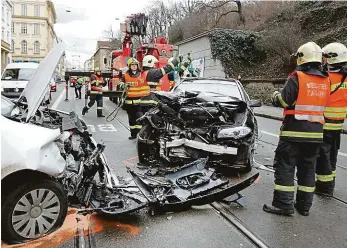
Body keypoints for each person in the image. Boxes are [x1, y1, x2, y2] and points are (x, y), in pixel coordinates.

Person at [263, 42, 330, 216]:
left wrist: (275, 96)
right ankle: (304, 206)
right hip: (315, 134)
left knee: (285, 167)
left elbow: (284, 101)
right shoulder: (326, 80)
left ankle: (283, 205)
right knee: (308, 169)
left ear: (301, 58)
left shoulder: (297, 77)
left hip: (293, 133)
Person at [315, 42, 347, 197]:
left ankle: (324, 187)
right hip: (339, 124)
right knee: (332, 154)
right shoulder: (345, 78)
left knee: (323, 156)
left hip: (325, 123)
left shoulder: (326, 78)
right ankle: (330, 182)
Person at [121, 58, 150, 139]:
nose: (134, 66)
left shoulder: (142, 74)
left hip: (139, 102)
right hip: (129, 102)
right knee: (131, 119)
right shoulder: (125, 75)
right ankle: (133, 134)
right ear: (129, 66)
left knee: (140, 118)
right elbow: (120, 83)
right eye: (132, 65)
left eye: (135, 65)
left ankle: (141, 134)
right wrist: (123, 85)